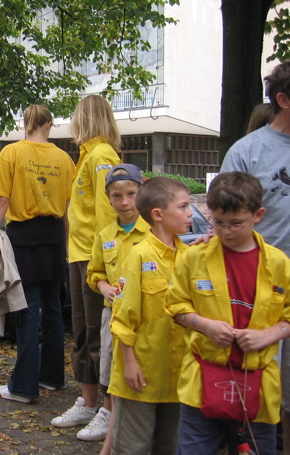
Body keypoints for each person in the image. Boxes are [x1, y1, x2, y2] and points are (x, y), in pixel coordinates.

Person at [167, 172, 290, 454]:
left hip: (258, 385)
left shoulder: (279, 264)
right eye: (218, 222)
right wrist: (206, 325)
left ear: (258, 215)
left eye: (236, 223)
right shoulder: (194, 258)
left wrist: (268, 335)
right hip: (202, 380)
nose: (226, 231)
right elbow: (175, 306)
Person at [221, 61, 290, 450]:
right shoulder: (247, 151)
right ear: (283, 100)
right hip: (259, 292)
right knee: (256, 395)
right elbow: (224, 220)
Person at [0, 104, 75, 404]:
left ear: (25, 123)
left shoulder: (11, 153)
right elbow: (67, 209)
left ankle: (23, 387)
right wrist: (66, 245)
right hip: (54, 238)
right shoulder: (64, 159)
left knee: (26, 310)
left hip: (23, 239)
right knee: (53, 309)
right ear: (49, 124)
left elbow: (2, 199)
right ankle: (52, 377)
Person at [107, 176, 192, 454]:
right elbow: (123, 318)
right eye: (183, 207)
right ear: (158, 214)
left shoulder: (189, 256)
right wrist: (129, 362)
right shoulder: (139, 256)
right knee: (133, 446)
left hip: (178, 375)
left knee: (170, 445)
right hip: (142, 373)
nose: (190, 213)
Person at [53, 94, 121, 431]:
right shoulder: (88, 155)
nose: (72, 124)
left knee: (97, 334)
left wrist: (103, 265)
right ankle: (89, 401)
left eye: (76, 117)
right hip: (79, 255)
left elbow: (108, 215)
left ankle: (107, 409)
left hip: (94, 260)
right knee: (82, 331)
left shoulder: (102, 156)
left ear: (86, 119)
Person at [83, 164, 149, 447]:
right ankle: (108, 413)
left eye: (131, 194)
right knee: (110, 366)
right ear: (108, 198)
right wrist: (103, 286)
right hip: (113, 314)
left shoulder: (153, 230)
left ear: (142, 192)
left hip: (146, 316)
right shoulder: (106, 234)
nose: (124, 202)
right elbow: (94, 271)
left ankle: (131, 420)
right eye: (117, 196)